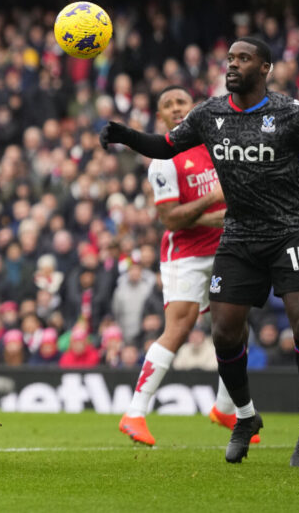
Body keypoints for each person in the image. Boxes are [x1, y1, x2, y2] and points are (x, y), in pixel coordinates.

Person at [101, 37, 299, 466]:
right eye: (230, 58)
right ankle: (243, 416)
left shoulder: (292, 114)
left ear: (266, 68)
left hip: (290, 234)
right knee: (223, 331)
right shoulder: (210, 113)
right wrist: (126, 136)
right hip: (238, 237)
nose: (233, 65)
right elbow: (166, 146)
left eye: (244, 59)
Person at [119, 85, 247, 447]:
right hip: (186, 256)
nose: (176, 109)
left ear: (194, 109)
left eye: (181, 103)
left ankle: (225, 408)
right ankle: (135, 412)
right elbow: (172, 220)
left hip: (226, 248)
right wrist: (215, 201)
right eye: (168, 105)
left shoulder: (217, 147)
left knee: (235, 325)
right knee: (179, 327)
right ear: (160, 117)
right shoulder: (164, 160)